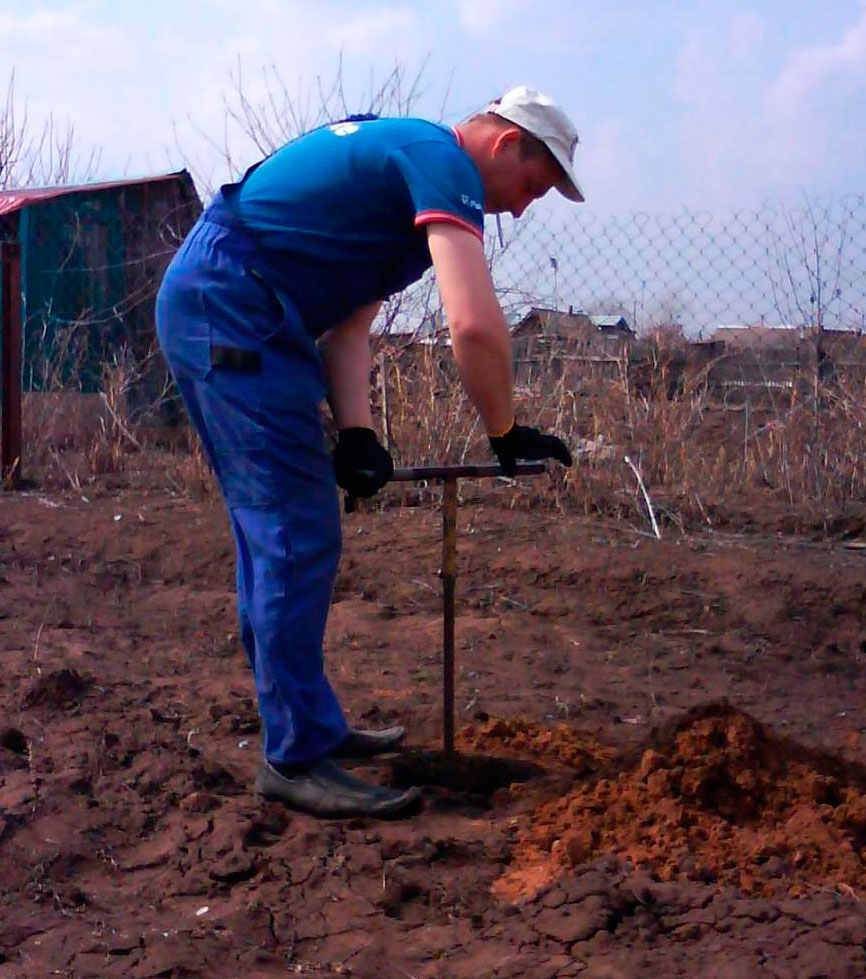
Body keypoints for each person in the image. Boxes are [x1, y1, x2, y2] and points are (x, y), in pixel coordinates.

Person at [155, 86, 581, 819]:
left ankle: (309, 728)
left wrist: (358, 433)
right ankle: (293, 759)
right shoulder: (438, 160)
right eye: (531, 186)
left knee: (282, 531)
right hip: (232, 301)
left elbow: (348, 326)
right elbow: (474, 326)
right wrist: (505, 432)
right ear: (508, 144)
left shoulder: (408, 173)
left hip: (247, 301)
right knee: (293, 530)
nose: (519, 208)